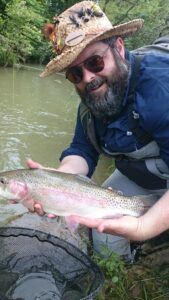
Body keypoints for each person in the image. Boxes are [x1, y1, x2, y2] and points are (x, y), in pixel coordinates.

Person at [27, 0, 169, 261]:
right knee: (104, 240)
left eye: (94, 62)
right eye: (75, 74)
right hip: (141, 175)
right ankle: (122, 272)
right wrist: (56, 180)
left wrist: (143, 228)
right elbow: (82, 151)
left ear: (119, 47)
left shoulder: (161, 89)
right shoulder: (90, 102)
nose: (88, 78)